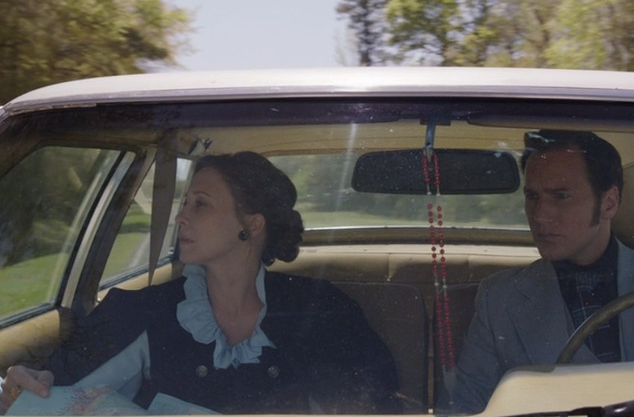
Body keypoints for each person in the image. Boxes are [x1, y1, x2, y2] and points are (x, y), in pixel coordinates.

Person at [0, 151, 401, 415]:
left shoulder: (323, 311)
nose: (181, 217)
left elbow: (370, 404)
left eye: (201, 204)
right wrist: (35, 384)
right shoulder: (140, 311)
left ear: (252, 224)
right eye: (185, 202)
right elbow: (65, 388)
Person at [449, 129, 634, 414]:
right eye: (533, 197)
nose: (539, 215)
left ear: (608, 203)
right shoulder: (499, 297)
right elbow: (465, 406)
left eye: (561, 196)